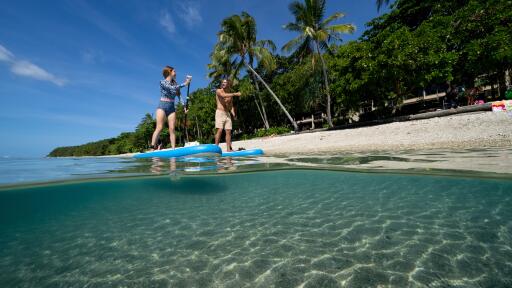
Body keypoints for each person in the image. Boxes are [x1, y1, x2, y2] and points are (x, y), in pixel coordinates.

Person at [150, 66, 191, 150]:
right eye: (174, 71)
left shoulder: (175, 84)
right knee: (159, 127)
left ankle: (173, 149)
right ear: (169, 72)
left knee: (172, 128)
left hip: (171, 107)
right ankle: (152, 147)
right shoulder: (162, 82)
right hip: (162, 106)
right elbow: (170, 88)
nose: (176, 73)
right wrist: (185, 84)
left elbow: (179, 96)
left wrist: (184, 107)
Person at [215, 79, 241, 152]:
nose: (223, 83)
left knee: (228, 131)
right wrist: (235, 94)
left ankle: (228, 149)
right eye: (222, 82)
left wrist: (233, 114)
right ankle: (215, 148)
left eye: (225, 82)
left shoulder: (230, 95)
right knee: (219, 130)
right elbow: (223, 95)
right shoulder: (218, 91)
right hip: (220, 112)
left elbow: (231, 106)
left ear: (228, 84)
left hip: (227, 114)